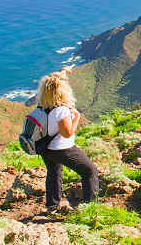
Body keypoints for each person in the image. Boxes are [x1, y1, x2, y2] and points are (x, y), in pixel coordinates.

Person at [28, 67, 98, 212]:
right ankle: (90, 208)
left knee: (54, 173)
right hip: (62, 149)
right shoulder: (61, 111)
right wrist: (76, 118)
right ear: (62, 92)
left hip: (45, 148)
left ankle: (52, 206)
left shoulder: (43, 106)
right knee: (89, 171)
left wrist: (64, 71)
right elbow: (67, 133)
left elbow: (55, 82)